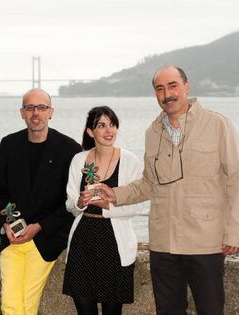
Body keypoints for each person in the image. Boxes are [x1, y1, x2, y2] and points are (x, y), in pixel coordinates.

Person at [99, 65, 239, 315]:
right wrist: (115, 194)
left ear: (187, 87)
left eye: (173, 86)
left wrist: (233, 233)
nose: (167, 93)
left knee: (211, 310)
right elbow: (148, 183)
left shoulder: (218, 125)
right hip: (163, 244)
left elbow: (236, 181)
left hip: (205, 242)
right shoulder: (152, 132)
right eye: (160, 88)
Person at [0, 88, 81, 315]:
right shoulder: (9, 145)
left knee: (27, 304)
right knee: (10, 306)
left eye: (41, 107)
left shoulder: (69, 149)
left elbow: (71, 202)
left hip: (46, 239)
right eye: (30, 107)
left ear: (51, 112)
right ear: (22, 113)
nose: (35, 113)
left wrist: (39, 226)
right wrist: (9, 224)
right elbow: (0, 193)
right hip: (13, 238)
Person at [62, 106, 145, 315]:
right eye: (101, 125)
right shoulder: (78, 160)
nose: (109, 131)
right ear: (90, 132)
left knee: (112, 312)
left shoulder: (130, 161)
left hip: (115, 246)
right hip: (82, 243)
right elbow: (70, 205)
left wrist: (108, 207)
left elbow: (138, 205)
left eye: (112, 124)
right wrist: (80, 202)